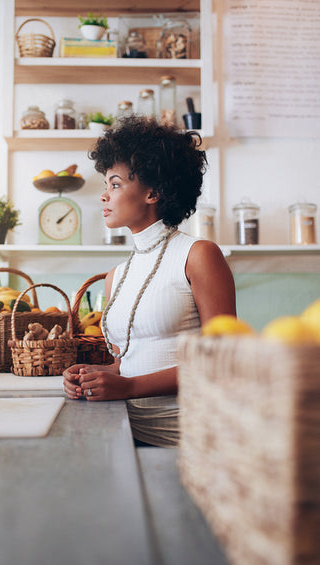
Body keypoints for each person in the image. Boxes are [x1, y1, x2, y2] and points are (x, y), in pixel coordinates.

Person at [63, 116, 236, 411]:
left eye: (115, 184)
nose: (104, 195)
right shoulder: (115, 277)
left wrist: (130, 387)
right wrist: (94, 375)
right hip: (124, 428)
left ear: (153, 193)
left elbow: (223, 360)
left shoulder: (198, 255)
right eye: (106, 184)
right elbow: (127, 365)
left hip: (184, 436)